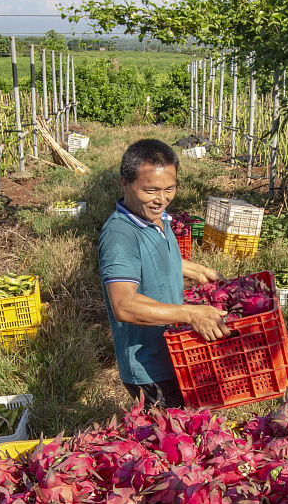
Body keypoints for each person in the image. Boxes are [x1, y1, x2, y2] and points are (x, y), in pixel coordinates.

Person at [99, 139, 230, 408]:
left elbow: (151, 256)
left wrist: (194, 269)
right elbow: (124, 305)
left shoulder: (155, 217)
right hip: (150, 367)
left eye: (169, 188)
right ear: (125, 183)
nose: (162, 199)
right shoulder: (120, 235)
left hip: (173, 353)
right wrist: (190, 313)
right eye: (151, 190)